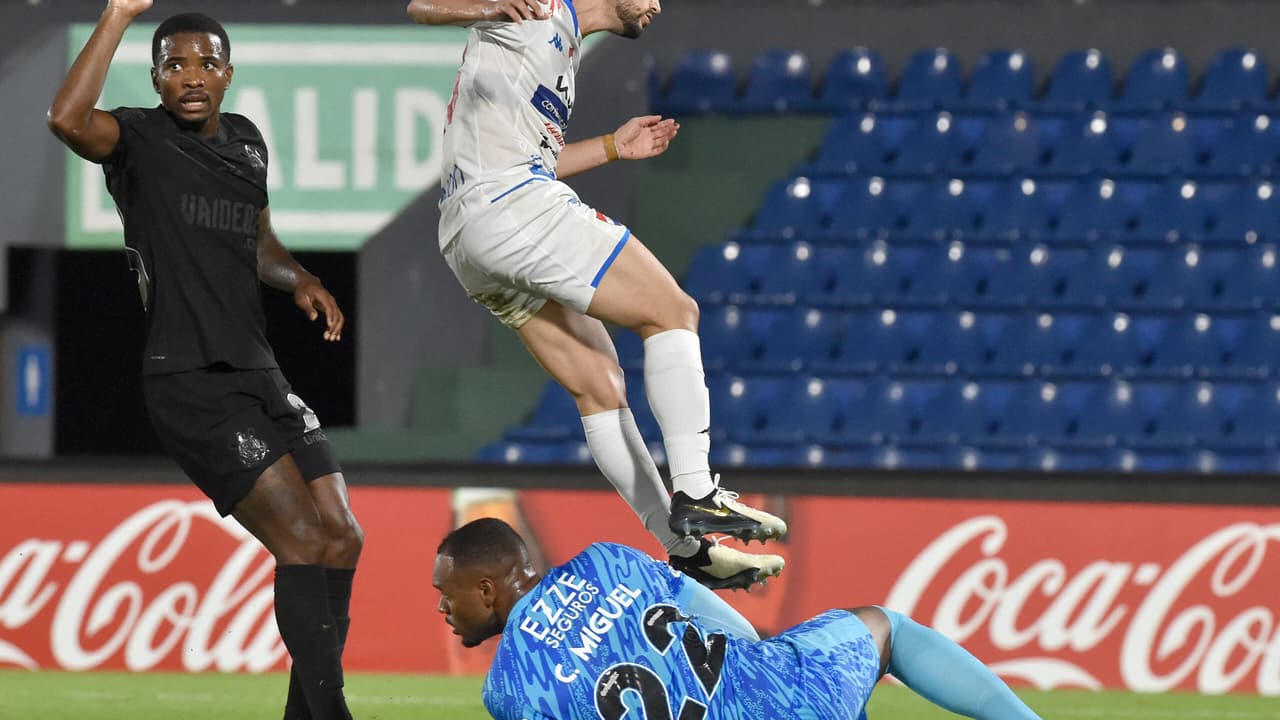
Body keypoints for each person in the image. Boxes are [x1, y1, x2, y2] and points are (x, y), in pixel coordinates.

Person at [47, 4, 362, 719]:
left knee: (343, 535)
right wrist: (119, 14)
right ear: (155, 77)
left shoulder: (248, 143)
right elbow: (66, 118)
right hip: (190, 381)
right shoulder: (135, 138)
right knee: (304, 537)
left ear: (228, 72)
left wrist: (301, 279)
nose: (191, 77)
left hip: (259, 370)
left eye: (205, 63)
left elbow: (261, 246)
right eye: (175, 65)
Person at [406, 0, 786, 590]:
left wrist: (612, 146)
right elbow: (421, 7)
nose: (657, 5)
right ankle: (697, 489)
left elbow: (532, 157)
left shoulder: (562, 44)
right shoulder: (539, 7)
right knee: (672, 311)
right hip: (509, 205)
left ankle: (684, 547)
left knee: (599, 384)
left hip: (465, 234)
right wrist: (485, 6)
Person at [434, 518, 1044, 720]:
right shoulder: (608, 561)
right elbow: (744, 632)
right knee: (883, 627)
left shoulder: (508, 689)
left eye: (446, 592)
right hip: (785, 698)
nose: (441, 606)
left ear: (486, 588)